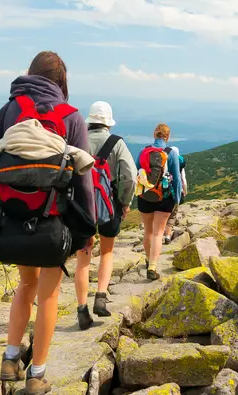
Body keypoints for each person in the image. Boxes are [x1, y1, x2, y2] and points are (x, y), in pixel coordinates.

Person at [0, 51, 94, 395]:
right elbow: (83, 180)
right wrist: (87, 230)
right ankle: (37, 376)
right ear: (62, 83)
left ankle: (10, 358)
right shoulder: (71, 117)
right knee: (48, 294)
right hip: (51, 223)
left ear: (31, 75)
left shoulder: (10, 110)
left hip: (12, 217)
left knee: (24, 285)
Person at [74, 101, 137, 330]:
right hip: (109, 205)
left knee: (83, 257)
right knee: (107, 251)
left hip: (82, 208)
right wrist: (124, 202)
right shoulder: (116, 143)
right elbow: (129, 175)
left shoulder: (77, 140)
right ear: (108, 123)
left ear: (90, 121)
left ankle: (82, 309)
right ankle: (100, 296)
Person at [135, 123, 182, 280]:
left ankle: (148, 261)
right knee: (158, 232)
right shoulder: (171, 153)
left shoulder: (143, 151)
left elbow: (137, 171)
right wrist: (176, 199)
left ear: (154, 134)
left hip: (145, 196)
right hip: (165, 197)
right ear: (167, 137)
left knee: (148, 231)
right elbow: (177, 178)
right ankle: (153, 267)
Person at [163, 148, 187, 245]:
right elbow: (182, 179)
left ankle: (157, 235)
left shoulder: (164, 160)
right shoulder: (179, 164)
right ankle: (167, 236)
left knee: (161, 214)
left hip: (164, 192)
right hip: (175, 193)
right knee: (172, 215)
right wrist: (184, 191)